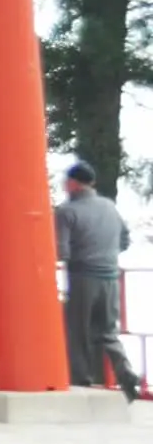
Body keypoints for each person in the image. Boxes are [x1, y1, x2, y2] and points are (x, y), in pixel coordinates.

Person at [55, 161, 139, 402]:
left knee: (77, 331)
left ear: (72, 183)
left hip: (83, 277)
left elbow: (62, 251)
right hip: (111, 276)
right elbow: (124, 240)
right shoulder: (109, 206)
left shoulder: (67, 212)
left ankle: (81, 380)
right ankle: (125, 374)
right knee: (109, 332)